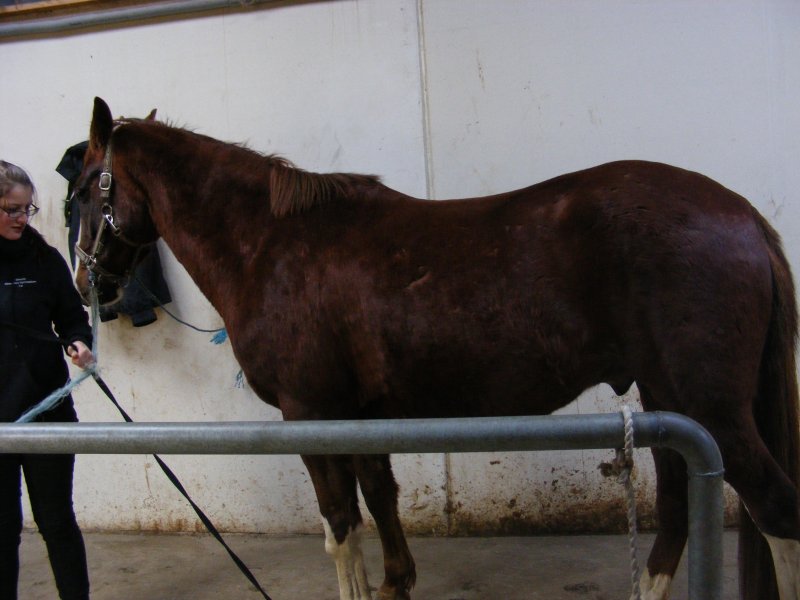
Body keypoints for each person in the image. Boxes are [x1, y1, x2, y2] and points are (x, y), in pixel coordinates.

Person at [0, 160, 95, 600]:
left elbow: (72, 318)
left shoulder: (45, 259)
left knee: (57, 522)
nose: (22, 218)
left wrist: (79, 343)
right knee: (3, 529)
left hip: (46, 413)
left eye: (27, 209)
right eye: (11, 209)